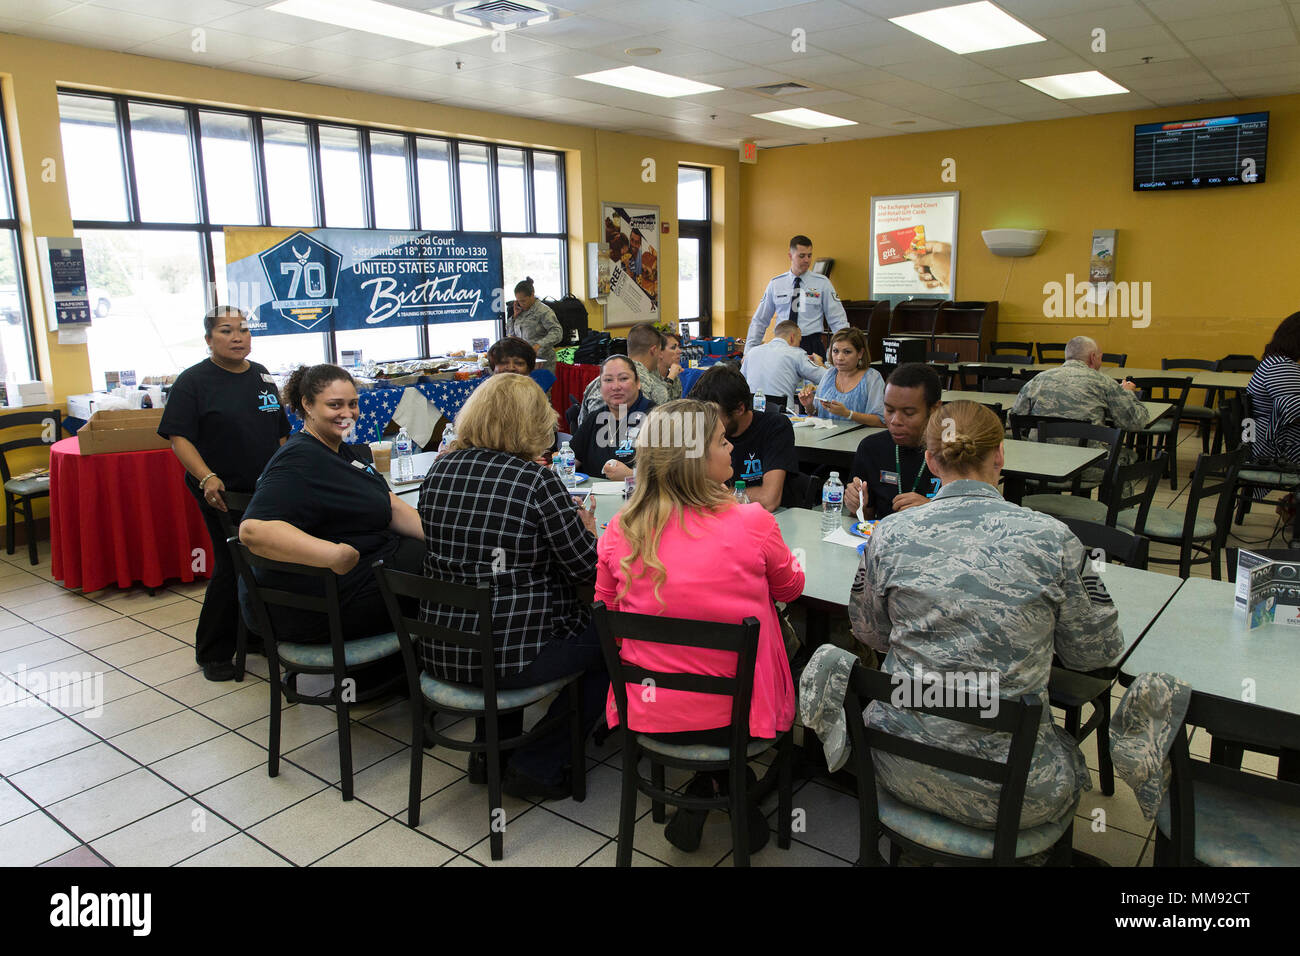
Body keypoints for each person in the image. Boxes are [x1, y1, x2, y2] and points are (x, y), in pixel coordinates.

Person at [849, 401, 1124, 831]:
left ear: (930, 460)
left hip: (899, 763)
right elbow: (1096, 654)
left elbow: (870, 634)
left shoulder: (889, 533)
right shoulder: (1053, 538)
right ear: (999, 454)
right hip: (1016, 789)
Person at [596, 399, 805, 851]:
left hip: (650, 709)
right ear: (694, 458)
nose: (731, 448)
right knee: (782, 642)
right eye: (720, 440)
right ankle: (731, 786)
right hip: (740, 716)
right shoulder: (752, 522)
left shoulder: (619, 528)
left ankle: (707, 787)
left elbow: (604, 608)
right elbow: (790, 591)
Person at [418, 373, 604, 799]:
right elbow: (586, 570)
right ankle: (538, 762)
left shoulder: (440, 469)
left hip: (442, 647)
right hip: (511, 657)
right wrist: (589, 532)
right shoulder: (536, 481)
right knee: (615, 644)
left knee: (498, 609)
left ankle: (488, 754)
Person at [238, 364, 425, 645]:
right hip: (321, 605)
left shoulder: (339, 448)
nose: (347, 414)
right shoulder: (298, 459)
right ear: (307, 405)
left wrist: (447, 537)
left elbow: (389, 505)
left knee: (446, 561)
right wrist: (333, 555)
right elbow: (253, 531)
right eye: (335, 405)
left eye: (353, 404)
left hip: (361, 577)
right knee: (442, 583)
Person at [158, 306, 290, 682]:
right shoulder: (193, 381)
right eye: (226, 330)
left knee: (265, 559)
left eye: (244, 330)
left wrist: (281, 471)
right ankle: (213, 650)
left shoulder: (262, 375)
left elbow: (279, 431)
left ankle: (251, 634)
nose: (237, 337)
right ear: (209, 340)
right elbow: (178, 437)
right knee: (233, 562)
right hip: (220, 492)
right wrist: (206, 476)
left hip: (264, 489)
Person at [1010, 334, 1147, 484]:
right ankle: (1117, 507)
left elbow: (1015, 418)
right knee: (1126, 457)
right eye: (1101, 358)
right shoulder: (1104, 382)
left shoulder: (1038, 379)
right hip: (1085, 466)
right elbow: (1135, 423)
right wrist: (1128, 392)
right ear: (1093, 357)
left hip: (1038, 463)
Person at [689, 364, 798, 512]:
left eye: (714, 413)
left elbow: (769, 499)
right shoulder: (704, 431)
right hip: (722, 517)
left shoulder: (775, 427)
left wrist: (709, 496)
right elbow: (690, 493)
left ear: (740, 409)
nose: (707, 421)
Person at [844, 363, 944, 520]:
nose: (895, 421)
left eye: (909, 413)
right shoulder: (871, 448)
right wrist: (857, 506)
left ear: (934, 409)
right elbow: (866, 518)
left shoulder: (955, 452)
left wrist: (932, 509)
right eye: (889, 410)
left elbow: (974, 520)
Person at [744, 235, 847, 358]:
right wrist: (749, 352)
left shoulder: (822, 283)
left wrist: (838, 351)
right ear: (790, 256)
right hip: (782, 345)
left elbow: (838, 320)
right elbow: (760, 320)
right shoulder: (776, 283)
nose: (807, 260)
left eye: (809, 255)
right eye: (802, 256)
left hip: (811, 345)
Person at [571, 355, 654, 481]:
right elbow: (571, 460)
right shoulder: (595, 418)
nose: (615, 387)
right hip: (593, 498)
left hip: (638, 498)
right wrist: (556, 463)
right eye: (608, 380)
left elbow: (673, 475)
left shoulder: (656, 418)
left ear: (638, 383)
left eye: (623, 378)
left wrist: (634, 475)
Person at [576, 323, 669, 424]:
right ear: (654, 350)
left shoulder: (595, 383)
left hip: (593, 438)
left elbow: (581, 425)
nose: (661, 356)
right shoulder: (655, 387)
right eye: (660, 351)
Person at [798, 328, 885, 425]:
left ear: (860, 353)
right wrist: (809, 406)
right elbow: (818, 414)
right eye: (835, 351)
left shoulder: (872, 378)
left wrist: (848, 414)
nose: (839, 357)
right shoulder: (829, 374)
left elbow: (881, 421)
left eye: (847, 352)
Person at [1246, 311, 1300, 464]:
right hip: (1272, 446)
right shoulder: (1281, 367)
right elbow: (1293, 411)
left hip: (1264, 438)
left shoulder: (1276, 362)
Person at [740, 319, 825, 410]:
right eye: (799, 341)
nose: (799, 345)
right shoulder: (796, 354)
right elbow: (825, 378)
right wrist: (819, 363)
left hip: (753, 413)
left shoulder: (752, 352)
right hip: (782, 416)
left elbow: (740, 383)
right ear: (792, 337)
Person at [506, 277, 562, 373]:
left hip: (543, 362)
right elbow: (511, 335)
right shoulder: (520, 311)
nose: (521, 304)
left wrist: (539, 345)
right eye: (518, 301)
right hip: (524, 361)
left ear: (532, 295)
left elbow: (557, 332)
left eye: (523, 301)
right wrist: (514, 317)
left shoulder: (543, 311)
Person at [660, 329, 684, 400]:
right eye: (673, 348)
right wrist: (670, 378)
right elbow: (659, 404)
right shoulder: (649, 378)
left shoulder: (675, 376)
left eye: (678, 347)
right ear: (659, 352)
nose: (680, 351)